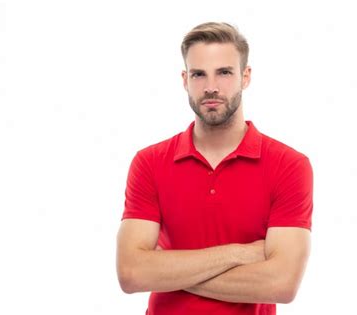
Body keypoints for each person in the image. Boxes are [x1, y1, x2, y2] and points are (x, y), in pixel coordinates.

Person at [116, 22, 313, 315]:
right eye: (198, 74)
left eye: (224, 72)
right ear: (185, 80)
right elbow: (132, 274)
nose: (211, 87)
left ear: (245, 77)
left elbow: (282, 283)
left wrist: (166, 269)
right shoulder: (149, 162)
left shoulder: (289, 165)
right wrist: (241, 254)